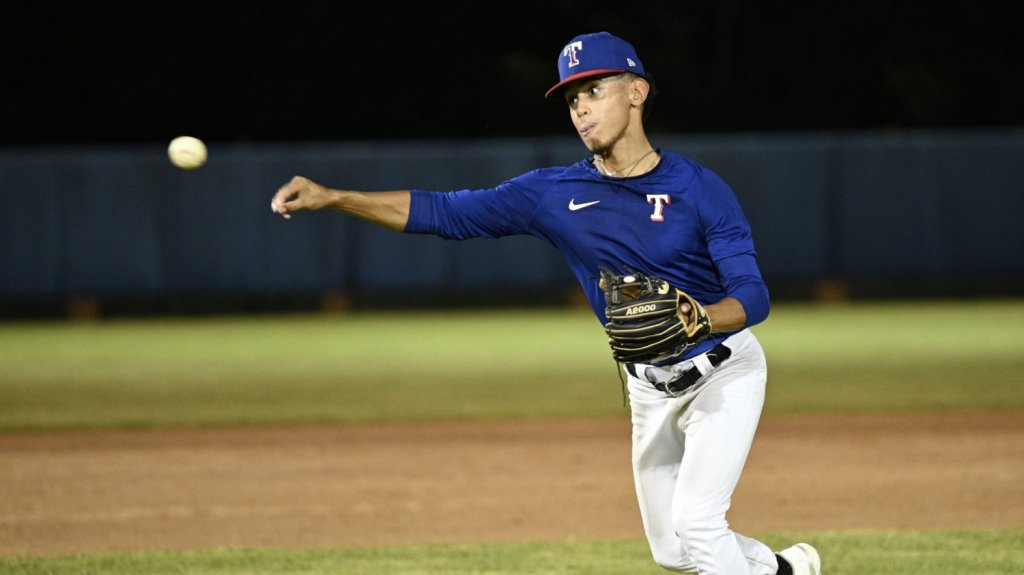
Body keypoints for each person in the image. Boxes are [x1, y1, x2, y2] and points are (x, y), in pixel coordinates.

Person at [271, 31, 820, 575]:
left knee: (698, 525)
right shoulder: (552, 194)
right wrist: (334, 197)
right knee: (674, 551)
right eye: (572, 98)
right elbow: (446, 212)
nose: (581, 109)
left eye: (595, 90)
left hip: (723, 372)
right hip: (647, 387)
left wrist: (700, 317)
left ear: (637, 92)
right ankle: (789, 569)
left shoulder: (699, 188)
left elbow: (753, 295)